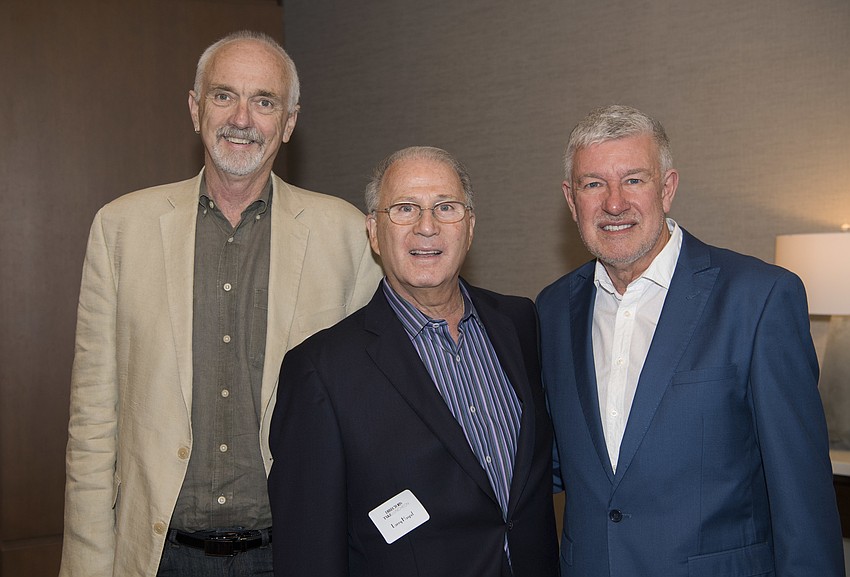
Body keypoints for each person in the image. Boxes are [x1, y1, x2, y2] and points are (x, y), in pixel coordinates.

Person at [60, 30, 382, 577]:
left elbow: (368, 419)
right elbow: (93, 421)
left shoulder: (349, 235)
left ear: (289, 121)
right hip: (158, 554)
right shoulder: (120, 229)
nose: (242, 118)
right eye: (223, 95)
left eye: (264, 101)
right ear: (195, 108)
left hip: (291, 554)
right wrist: (88, 562)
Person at [537, 104, 845, 576]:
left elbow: (801, 494)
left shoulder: (758, 298)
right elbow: (553, 460)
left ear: (668, 188)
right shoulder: (553, 309)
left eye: (634, 180)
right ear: (570, 198)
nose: (614, 203)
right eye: (593, 183)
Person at [268, 146, 559, 577]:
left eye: (446, 207)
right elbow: (308, 552)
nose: (428, 227)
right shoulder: (319, 372)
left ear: (470, 226)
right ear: (373, 231)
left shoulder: (520, 324)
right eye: (405, 209)